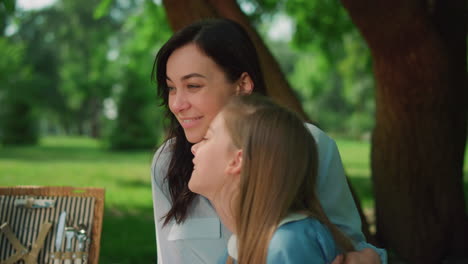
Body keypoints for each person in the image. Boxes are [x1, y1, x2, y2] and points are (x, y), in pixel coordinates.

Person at [151, 18, 386, 264]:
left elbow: (341, 247)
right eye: (171, 88)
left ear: (242, 85)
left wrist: (369, 258)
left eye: (193, 85)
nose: (177, 104)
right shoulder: (166, 161)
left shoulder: (309, 146)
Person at [189, 94, 355, 263]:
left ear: (238, 160)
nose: (194, 148)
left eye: (207, 138)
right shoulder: (242, 248)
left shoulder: (287, 244)